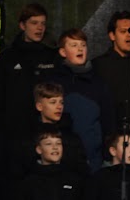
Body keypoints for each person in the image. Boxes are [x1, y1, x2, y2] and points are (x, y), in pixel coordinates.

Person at [49, 28, 117, 173]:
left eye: (83, 45)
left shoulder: (99, 83)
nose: (80, 49)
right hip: (60, 160)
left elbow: (108, 122)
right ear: (63, 52)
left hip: (93, 160)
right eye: (74, 45)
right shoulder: (53, 82)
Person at [0, 2, 59, 141]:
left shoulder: (52, 57)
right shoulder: (7, 58)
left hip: (46, 135)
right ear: (22, 25)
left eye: (43, 23)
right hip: (14, 133)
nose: (39, 27)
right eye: (34, 23)